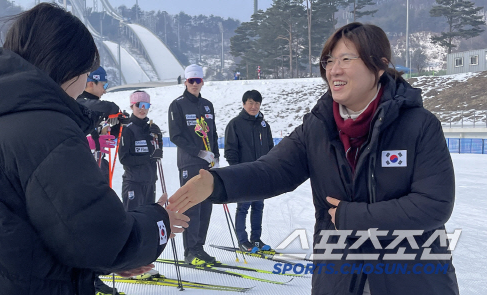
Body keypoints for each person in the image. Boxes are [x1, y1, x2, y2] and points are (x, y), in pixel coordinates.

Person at [168, 23, 459, 295]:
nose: (334, 70)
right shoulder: (318, 127)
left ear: (380, 65)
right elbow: (272, 170)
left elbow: (433, 205)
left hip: (413, 278)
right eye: (328, 61)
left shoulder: (418, 125)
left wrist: (351, 217)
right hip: (339, 277)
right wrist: (216, 183)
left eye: (346, 59)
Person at [0, 3, 189, 295]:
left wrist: (105, 261)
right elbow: (101, 240)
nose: (84, 83)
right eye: (85, 71)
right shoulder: (44, 128)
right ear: (67, 68)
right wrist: (159, 223)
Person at [167, 64, 220, 265]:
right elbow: (176, 136)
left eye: (198, 81)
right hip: (190, 162)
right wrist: (199, 152)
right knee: (192, 206)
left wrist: (216, 155)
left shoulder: (207, 104)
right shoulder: (178, 105)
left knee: (206, 205)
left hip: (208, 162)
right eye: (191, 81)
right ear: (185, 82)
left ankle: (199, 247)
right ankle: (190, 251)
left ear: (202, 82)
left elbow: (213, 133)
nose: (195, 84)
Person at [224, 90, 274, 253]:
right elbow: (230, 150)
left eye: (257, 103)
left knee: (258, 206)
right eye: (251, 103)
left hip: (262, 172)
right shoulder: (235, 124)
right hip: (244, 172)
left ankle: (256, 239)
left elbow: (271, 148)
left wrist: (270, 166)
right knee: (243, 207)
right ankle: (243, 240)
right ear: (244, 104)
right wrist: (236, 171)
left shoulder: (263, 125)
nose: (254, 106)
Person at [77, 66, 126, 182]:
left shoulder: (98, 109)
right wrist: (112, 107)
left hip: (99, 163)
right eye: (104, 85)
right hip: (82, 166)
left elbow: (107, 136)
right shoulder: (79, 102)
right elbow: (85, 104)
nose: (105, 90)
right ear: (91, 84)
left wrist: (119, 126)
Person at [119, 91, 163, 211]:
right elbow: (124, 159)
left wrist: (159, 138)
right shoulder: (128, 129)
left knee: (147, 221)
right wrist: (148, 158)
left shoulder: (151, 129)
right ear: (132, 106)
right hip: (134, 182)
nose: (143, 109)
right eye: (139, 105)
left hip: (150, 182)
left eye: (146, 105)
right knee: (133, 220)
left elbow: (158, 154)